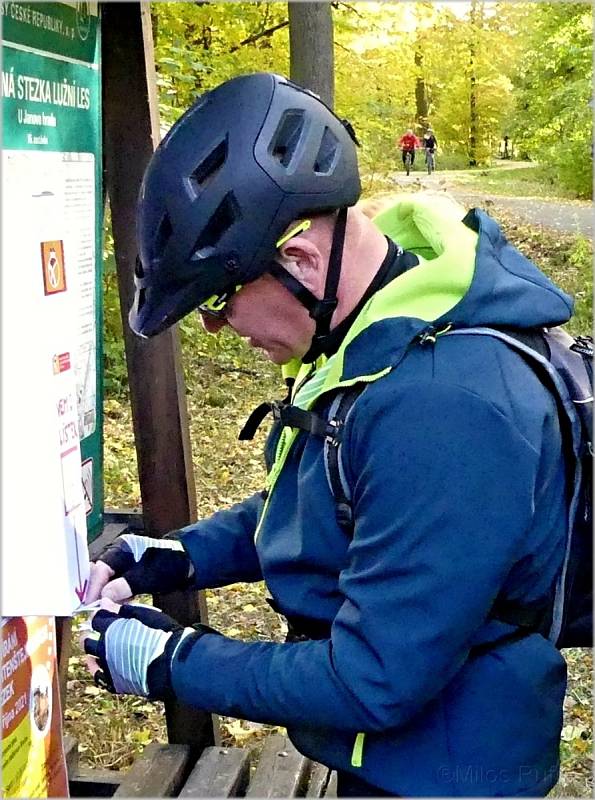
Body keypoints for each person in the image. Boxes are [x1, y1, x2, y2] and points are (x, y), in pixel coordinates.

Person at [83, 73, 574, 797]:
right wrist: (177, 556)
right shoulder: (382, 334)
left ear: (301, 261)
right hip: (399, 757)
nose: (216, 330)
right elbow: (333, 505)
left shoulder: (445, 406)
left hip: (446, 774)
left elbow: (372, 678)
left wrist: (170, 662)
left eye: (218, 301)